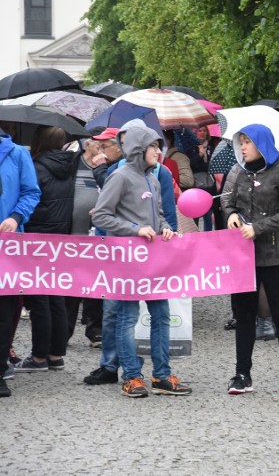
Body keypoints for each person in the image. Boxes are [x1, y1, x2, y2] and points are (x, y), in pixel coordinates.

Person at [91, 124, 190, 398]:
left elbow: (158, 215)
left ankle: (161, 375)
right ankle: (132, 377)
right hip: (126, 262)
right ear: (137, 149)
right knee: (127, 318)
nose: (159, 151)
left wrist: (166, 228)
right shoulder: (120, 177)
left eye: (159, 146)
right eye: (153, 147)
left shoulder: (155, 180)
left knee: (161, 316)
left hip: (153, 263)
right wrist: (134, 229)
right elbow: (100, 216)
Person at [221, 124, 279, 396]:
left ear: (261, 144)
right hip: (245, 256)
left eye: (247, 142)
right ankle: (242, 375)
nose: (242, 147)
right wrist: (231, 213)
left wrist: (259, 227)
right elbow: (228, 201)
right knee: (244, 316)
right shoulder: (241, 173)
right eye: (240, 142)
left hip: (278, 254)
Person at [13, 127, 75, 374]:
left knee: (38, 298)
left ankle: (39, 357)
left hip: (36, 237)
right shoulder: (68, 166)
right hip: (60, 236)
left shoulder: (36, 167)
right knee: (56, 296)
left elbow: (31, 199)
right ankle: (56, 354)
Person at [0, 126, 41, 397]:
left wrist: (16, 216)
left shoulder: (16, 154)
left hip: (8, 245)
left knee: (3, 312)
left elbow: (31, 192)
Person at [65, 129, 110, 348]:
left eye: (105, 144)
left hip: (99, 237)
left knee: (96, 282)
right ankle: (64, 332)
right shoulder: (72, 164)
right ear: (87, 144)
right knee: (71, 284)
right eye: (98, 144)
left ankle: (95, 330)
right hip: (74, 234)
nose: (102, 148)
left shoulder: (109, 168)